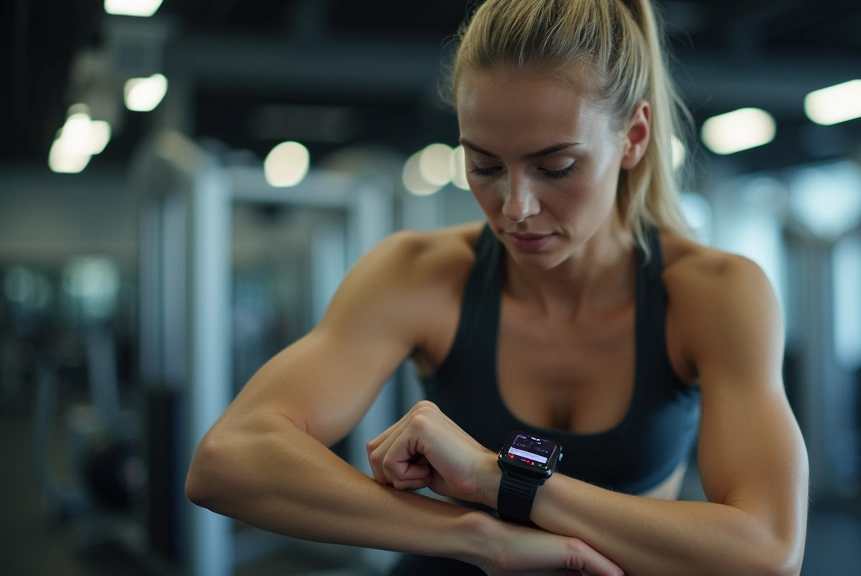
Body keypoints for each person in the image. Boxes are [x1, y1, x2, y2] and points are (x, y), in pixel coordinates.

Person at [185, 0, 809, 574]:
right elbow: (228, 460)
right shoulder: (421, 273)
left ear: (634, 138)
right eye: (483, 165)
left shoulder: (715, 293)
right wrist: (479, 535)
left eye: (556, 166)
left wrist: (497, 480)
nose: (515, 206)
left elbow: (769, 549)